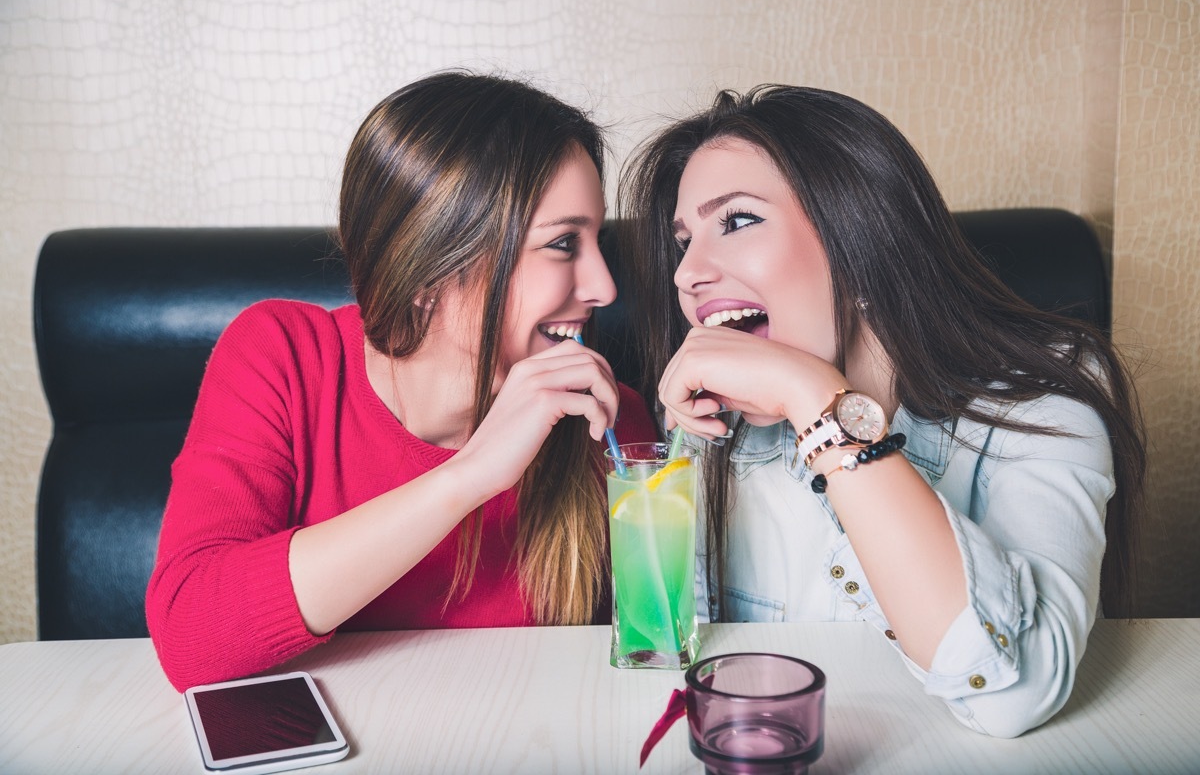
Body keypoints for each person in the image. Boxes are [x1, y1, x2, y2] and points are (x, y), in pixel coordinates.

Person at [618, 85, 1145, 738]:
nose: (686, 273)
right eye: (683, 241)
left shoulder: (1045, 395)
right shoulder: (707, 425)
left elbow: (1013, 695)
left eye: (737, 220)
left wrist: (818, 403)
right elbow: (673, 669)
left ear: (860, 241)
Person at [146, 71, 657, 691]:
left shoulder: (606, 418)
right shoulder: (282, 356)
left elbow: (645, 668)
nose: (604, 288)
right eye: (561, 244)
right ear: (427, 271)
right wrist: (470, 475)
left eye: (596, 239)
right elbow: (192, 633)